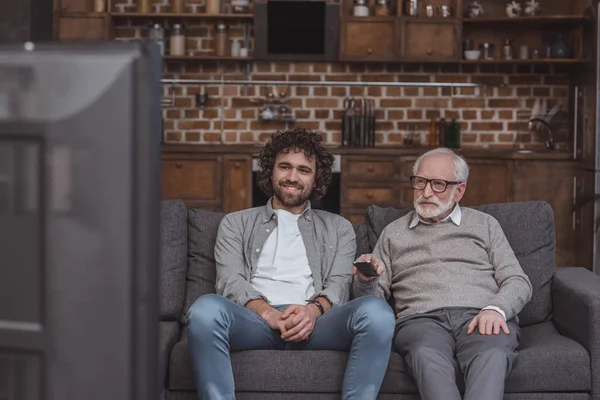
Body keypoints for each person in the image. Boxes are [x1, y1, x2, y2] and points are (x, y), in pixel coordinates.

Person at [187, 128, 395, 400]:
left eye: (303, 170)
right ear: (271, 171)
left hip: (318, 324)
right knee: (204, 309)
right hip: (255, 322)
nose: (292, 177)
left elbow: (339, 285)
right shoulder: (235, 223)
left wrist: (311, 312)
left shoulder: (339, 228)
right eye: (284, 167)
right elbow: (230, 281)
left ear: (316, 177)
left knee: (377, 312)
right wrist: (269, 313)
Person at [352, 147, 533, 400]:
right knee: (426, 356)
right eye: (420, 182)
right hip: (421, 321)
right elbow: (373, 300)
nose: (426, 193)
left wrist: (496, 309)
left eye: (438, 184)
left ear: (459, 190)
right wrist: (365, 278)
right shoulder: (394, 233)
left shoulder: (484, 225)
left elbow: (517, 280)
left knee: (491, 355)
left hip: (481, 317)